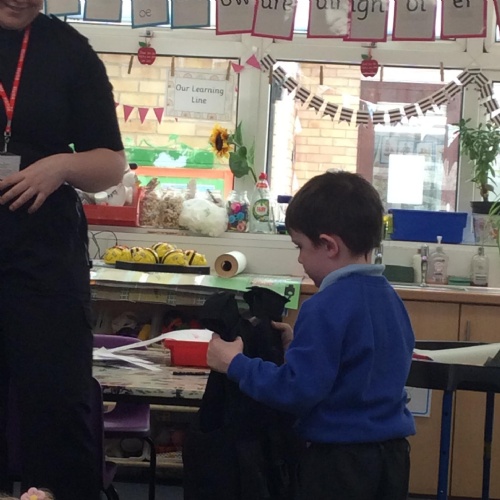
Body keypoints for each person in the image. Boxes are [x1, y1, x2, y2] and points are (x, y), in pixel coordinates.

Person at [207, 171, 416, 500]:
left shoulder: (323, 306)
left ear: (329, 245)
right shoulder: (390, 298)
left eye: (301, 246)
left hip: (339, 463)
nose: (300, 259)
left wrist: (235, 364)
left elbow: (296, 391)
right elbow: (361, 367)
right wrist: (298, 346)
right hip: (392, 459)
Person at [0, 3, 126, 500]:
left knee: (57, 404)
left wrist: (61, 167)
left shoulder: (69, 51)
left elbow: (111, 163)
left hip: (44, 258)